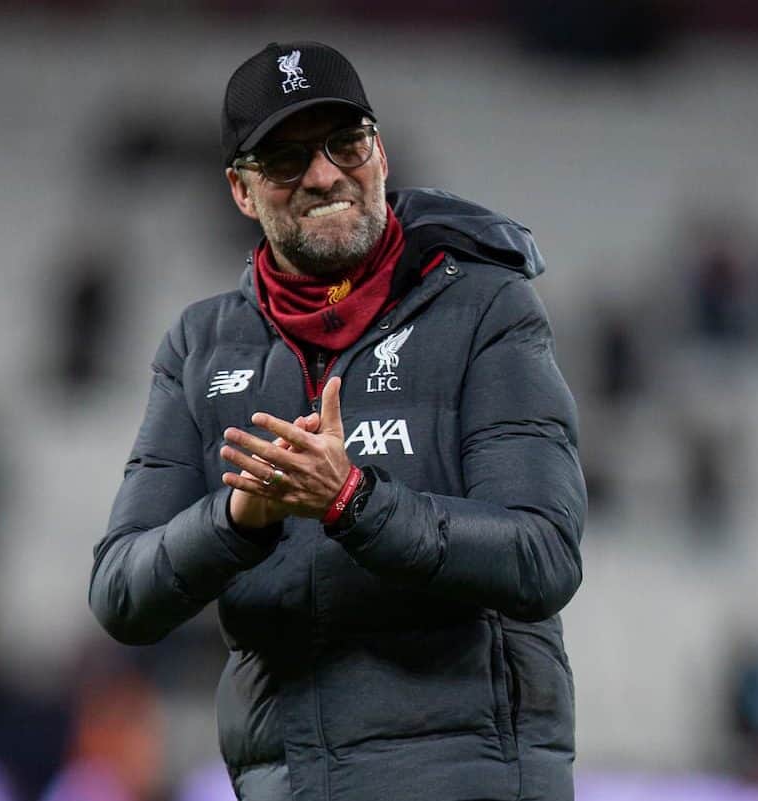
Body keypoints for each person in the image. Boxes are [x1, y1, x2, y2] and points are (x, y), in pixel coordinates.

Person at [89, 40, 586, 801]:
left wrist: (355, 500)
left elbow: (543, 555)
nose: (324, 175)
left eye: (344, 142)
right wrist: (236, 519)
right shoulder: (200, 344)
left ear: (379, 150)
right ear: (241, 191)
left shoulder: (488, 309)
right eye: (285, 160)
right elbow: (121, 592)